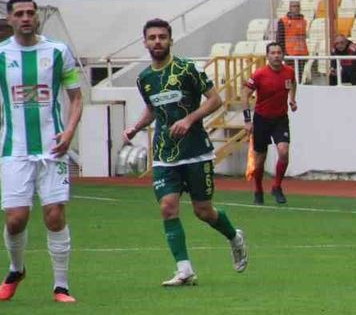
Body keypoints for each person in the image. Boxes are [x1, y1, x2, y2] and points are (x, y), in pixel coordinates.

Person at [123, 18, 247, 287]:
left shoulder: (187, 69)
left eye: (162, 37)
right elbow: (153, 110)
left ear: (170, 40)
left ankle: (234, 237)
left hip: (195, 152)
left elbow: (215, 100)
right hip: (164, 154)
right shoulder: (144, 78)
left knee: (203, 211)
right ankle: (184, 269)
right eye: (152, 37)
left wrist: (189, 119)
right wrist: (135, 127)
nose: (157, 41)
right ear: (145, 42)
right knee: (168, 208)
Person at [0, 0, 84, 303]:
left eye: (30, 13)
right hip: (15, 149)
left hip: (54, 148)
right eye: (20, 13)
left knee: (55, 214)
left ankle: (61, 286)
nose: (26, 18)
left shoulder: (58, 51)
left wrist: (69, 132)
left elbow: (76, 98)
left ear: (37, 17)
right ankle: (16, 268)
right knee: (16, 219)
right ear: (9, 19)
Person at [242, 41, 297, 205]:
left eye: (279, 52)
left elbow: (293, 83)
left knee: (284, 152)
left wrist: (292, 99)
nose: (276, 56)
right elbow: (245, 94)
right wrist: (247, 120)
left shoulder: (289, 71)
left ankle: (277, 186)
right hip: (262, 119)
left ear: (283, 55)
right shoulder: (259, 74)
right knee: (260, 160)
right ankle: (258, 190)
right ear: (267, 56)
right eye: (273, 53)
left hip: (280, 119)